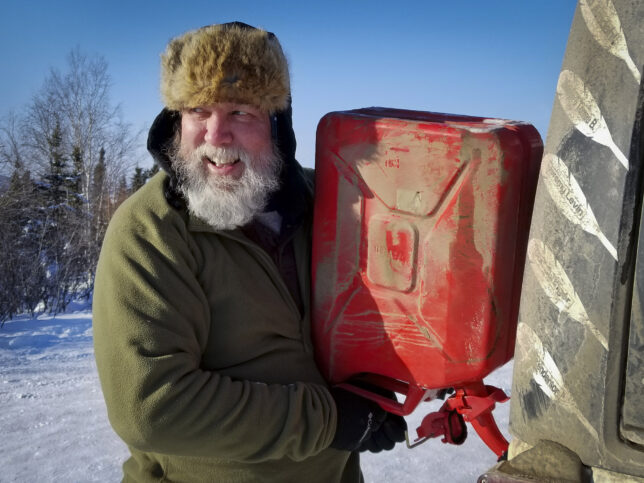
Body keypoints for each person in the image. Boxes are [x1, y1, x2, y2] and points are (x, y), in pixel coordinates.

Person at [93, 22, 406, 482]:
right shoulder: (151, 231)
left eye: (240, 111)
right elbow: (151, 407)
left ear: (277, 123)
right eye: (198, 110)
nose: (216, 135)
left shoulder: (329, 203)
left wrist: (388, 388)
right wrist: (331, 420)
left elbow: (386, 301)